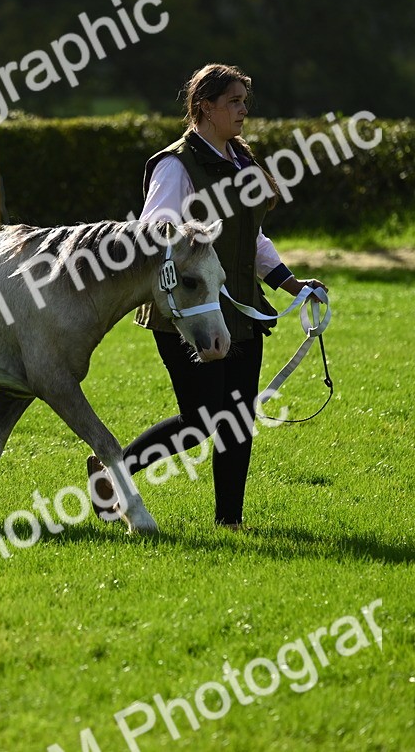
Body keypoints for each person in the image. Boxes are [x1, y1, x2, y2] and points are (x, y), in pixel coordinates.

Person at [88, 63, 326, 530]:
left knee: (237, 421)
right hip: (188, 310)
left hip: (241, 308)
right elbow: (153, 235)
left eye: (243, 102)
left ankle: (229, 523)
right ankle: (112, 474)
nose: (242, 111)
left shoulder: (242, 161)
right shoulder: (175, 165)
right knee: (200, 421)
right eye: (233, 102)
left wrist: (290, 283)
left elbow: (252, 237)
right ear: (205, 108)